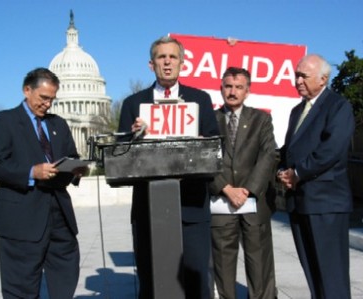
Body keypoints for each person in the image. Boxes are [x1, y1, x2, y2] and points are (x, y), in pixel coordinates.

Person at [118, 36, 219, 299]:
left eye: (173, 57)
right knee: (152, 282)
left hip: (192, 206)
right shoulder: (133, 104)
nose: (167, 62)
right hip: (150, 208)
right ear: (151, 64)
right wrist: (133, 138)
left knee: (196, 281)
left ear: (182, 63)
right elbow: (120, 155)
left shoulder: (200, 99)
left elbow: (215, 149)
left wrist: (199, 146)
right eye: (161, 57)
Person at [0, 68, 87, 299]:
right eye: (43, 98)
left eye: (52, 99)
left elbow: (70, 155)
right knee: (21, 283)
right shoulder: (4, 121)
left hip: (59, 213)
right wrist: (33, 171)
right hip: (21, 214)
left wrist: (76, 170)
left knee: (66, 269)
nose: (48, 104)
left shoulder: (58, 124)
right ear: (27, 90)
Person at [277, 54, 354, 299]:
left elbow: (332, 149)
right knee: (313, 273)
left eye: (303, 75)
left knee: (331, 276)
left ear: (323, 79)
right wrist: (281, 170)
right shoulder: (297, 110)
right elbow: (290, 149)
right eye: (296, 74)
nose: (297, 80)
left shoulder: (338, 106)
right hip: (300, 203)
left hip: (326, 204)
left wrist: (298, 173)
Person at [209, 67, 277, 299]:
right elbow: (204, 159)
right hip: (221, 202)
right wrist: (227, 189)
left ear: (248, 91)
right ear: (221, 89)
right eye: (228, 86)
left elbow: (269, 155)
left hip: (254, 204)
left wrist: (247, 190)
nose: (233, 92)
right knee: (223, 267)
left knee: (260, 268)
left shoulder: (261, 119)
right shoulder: (210, 121)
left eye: (239, 87)